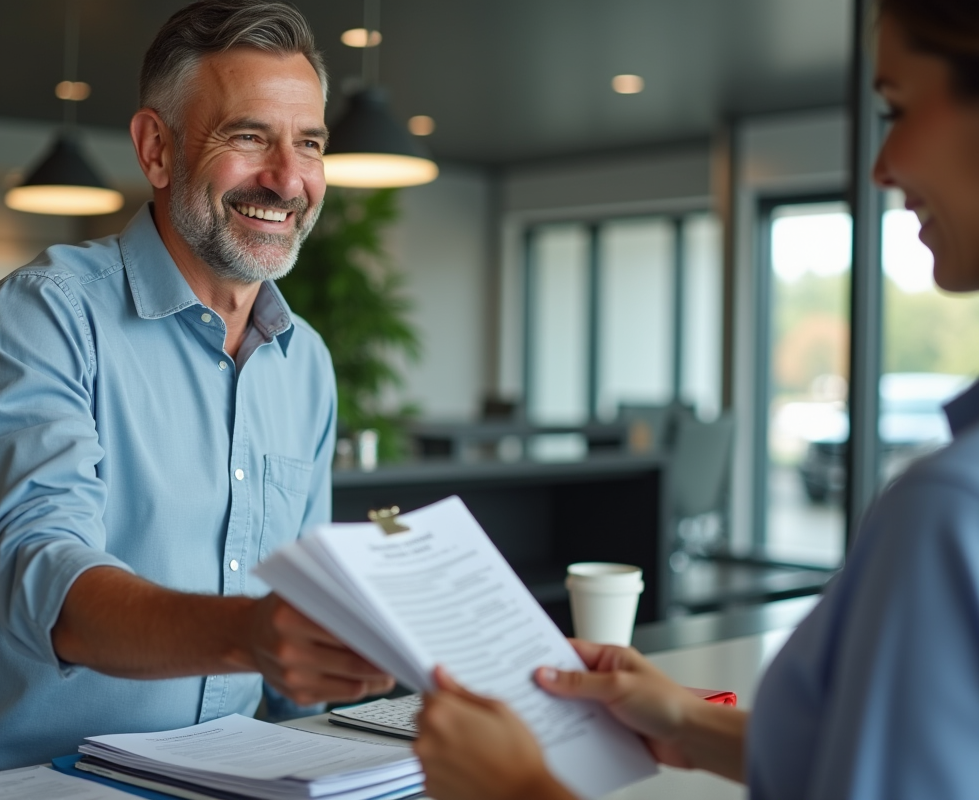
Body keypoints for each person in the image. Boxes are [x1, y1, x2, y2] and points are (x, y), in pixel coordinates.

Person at [414, 1, 979, 798]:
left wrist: (512, 787)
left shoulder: (948, 510)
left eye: (898, 108)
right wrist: (686, 720)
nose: (881, 163)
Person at [0, 0, 394, 780]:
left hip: (223, 781)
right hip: (23, 784)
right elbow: (45, 571)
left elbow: (300, 622)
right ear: (156, 149)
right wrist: (250, 633)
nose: (287, 178)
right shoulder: (43, 315)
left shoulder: (307, 363)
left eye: (309, 143)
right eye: (247, 136)